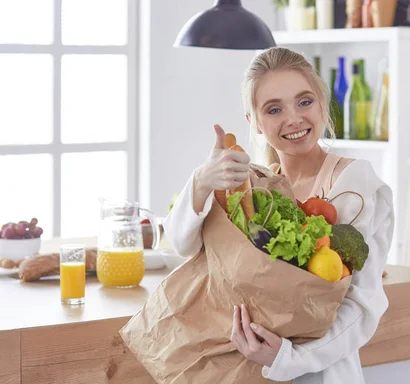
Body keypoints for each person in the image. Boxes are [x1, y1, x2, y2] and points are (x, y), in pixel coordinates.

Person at [162, 47, 394, 384]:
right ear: (253, 122)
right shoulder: (254, 188)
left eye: (304, 101)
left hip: (321, 375)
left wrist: (288, 357)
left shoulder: (354, 183)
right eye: (274, 109)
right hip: (242, 369)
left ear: (322, 103)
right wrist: (202, 181)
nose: (294, 119)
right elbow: (181, 244)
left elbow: (362, 306)